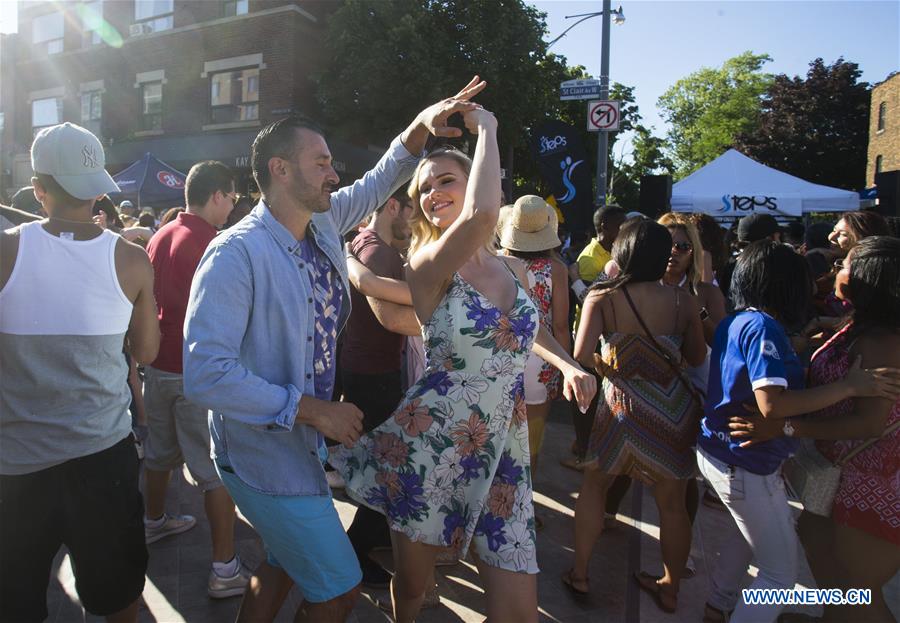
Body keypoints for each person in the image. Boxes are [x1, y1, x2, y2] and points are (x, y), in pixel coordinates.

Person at [182, 78, 488, 623]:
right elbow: (206, 375)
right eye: (320, 162)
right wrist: (314, 409)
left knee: (279, 566)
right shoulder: (235, 253)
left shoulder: (320, 223)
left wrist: (419, 129)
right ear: (280, 169)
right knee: (340, 591)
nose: (333, 172)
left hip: (300, 451)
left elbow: (376, 183)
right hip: (259, 456)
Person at [330, 107, 596, 623]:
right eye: (423, 190)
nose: (431, 194)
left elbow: (526, 326)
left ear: (472, 179)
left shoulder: (512, 266)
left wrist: (567, 366)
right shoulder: (425, 267)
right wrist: (491, 129)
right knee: (412, 588)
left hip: (505, 450)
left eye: (445, 179)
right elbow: (480, 218)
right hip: (433, 446)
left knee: (519, 607)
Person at [0, 122, 159, 623]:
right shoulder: (133, 259)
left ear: (40, 189)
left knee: (15, 599)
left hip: (16, 465)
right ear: (99, 189)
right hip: (101, 458)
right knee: (116, 598)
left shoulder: (5, 252)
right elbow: (147, 352)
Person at [695, 240, 900, 623]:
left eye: (844, 263)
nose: (832, 270)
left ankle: (728, 606)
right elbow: (774, 401)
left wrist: (786, 427)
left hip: (865, 491)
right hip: (805, 475)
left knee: (856, 596)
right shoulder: (844, 326)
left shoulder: (884, 343)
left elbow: (870, 423)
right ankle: (730, 607)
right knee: (806, 580)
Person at [565, 220, 706, 614]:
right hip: (671, 412)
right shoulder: (683, 303)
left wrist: (610, 359)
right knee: (673, 504)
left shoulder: (602, 298)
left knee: (595, 486)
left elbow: (580, 359)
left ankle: (579, 572)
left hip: (620, 408)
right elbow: (696, 357)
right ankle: (670, 587)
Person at [141, 160, 249, 598]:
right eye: (232, 198)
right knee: (213, 472)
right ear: (218, 195)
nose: (232, 207)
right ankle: (224, 568)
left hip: (158, 367)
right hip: (195, 372)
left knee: (158, 454)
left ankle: (152, 521)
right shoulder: (215, 243)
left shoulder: (160, 234)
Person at [340, 186, 419, 587]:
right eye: (411, 209)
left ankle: (367, 540)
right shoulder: (379, 253)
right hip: (374, 375)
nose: (415, 218)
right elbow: (392, 318)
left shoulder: (365, 244)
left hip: (367, 370)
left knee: (380, 463)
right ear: (392, 206)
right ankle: (356, 549)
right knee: (389, 468)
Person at [497, 195, 570, 479]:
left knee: (498, 440)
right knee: (530, 445)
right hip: (540, 362)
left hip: (501, 356)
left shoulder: (497, 262)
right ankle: (524, 513)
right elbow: (561, 326)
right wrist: (565, 369)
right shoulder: (556, 269)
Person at [561, 204, 627, 473]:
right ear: (603, 228)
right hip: (590, 339)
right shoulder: (590, 259)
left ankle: (584, 446)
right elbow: (586, 301)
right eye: (619, 225)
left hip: (602, 339)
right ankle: (585, 448)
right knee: (585, 399)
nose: (623, 230)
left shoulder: (610, 254)